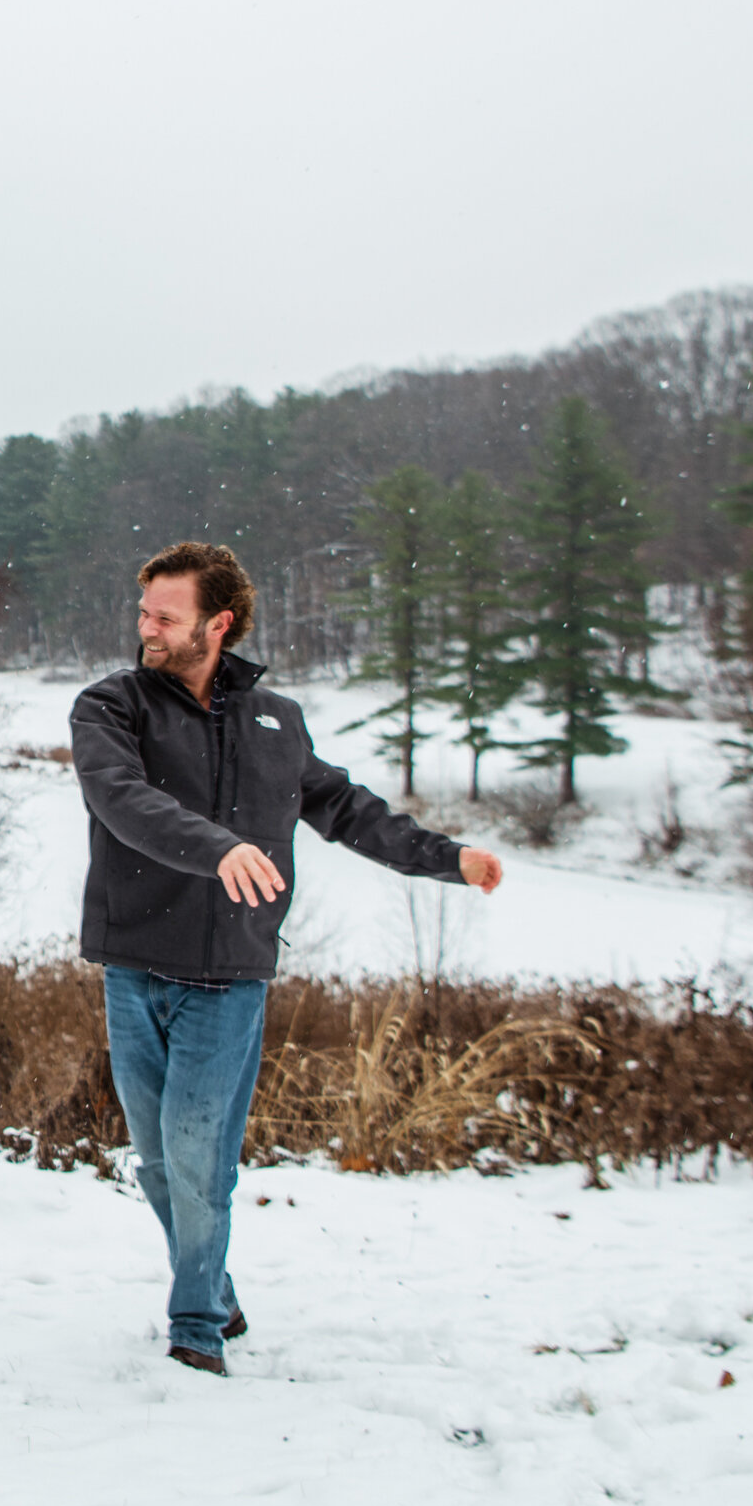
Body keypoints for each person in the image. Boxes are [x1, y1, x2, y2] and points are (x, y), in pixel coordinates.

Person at [69, 543, 503, 1378]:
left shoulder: (277, 723)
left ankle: (195, 1319)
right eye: (144, 613)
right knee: (159, 1162)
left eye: (166, 616)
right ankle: (216, 1284)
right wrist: (216, 846)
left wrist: (450, 858)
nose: (146, 629)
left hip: (229, 977)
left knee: (200, 1157)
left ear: (216, 624)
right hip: (133, 965)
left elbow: (348, 810)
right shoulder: (111, 706)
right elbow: (120, 798)